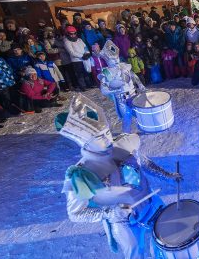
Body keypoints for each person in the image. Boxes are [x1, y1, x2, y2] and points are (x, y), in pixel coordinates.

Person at [57, 94, 180, 259]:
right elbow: (75, 214)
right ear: (87, 143)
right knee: (136, 254)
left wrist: (168, 175)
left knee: (167, 238)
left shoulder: (122, 144)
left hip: (151, 203)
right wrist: (109, 212)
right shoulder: (81, 174)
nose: (108, 140)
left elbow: (143, 163)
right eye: (101, 137)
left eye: (107, 132)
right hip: (125, 222)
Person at [98, 41, 146, 133]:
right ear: (107, 60)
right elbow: (103, 89)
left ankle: (144, 128)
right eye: (113, 59)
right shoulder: (106, 72)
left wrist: (140, 84)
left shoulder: (124, 66)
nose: (116, 61)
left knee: (139, 114)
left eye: (117, 58)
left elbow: (133, 75)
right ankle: (126, 134)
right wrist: (114, 91)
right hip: (121, 99)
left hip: (133, 96)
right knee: (126, 117)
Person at [62, 26, 92, 91]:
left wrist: (87, 53)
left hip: (84, 59)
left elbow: (85, 47)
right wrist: (82, 56)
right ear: (67, 34)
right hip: (76, 61)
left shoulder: (79, 40)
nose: (73, 35)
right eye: (71, 34)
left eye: (74, 33)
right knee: (80, 74)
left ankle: (89, 84)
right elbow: (71, 52)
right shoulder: (67, 42)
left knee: (86, 71)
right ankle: (83, 86)